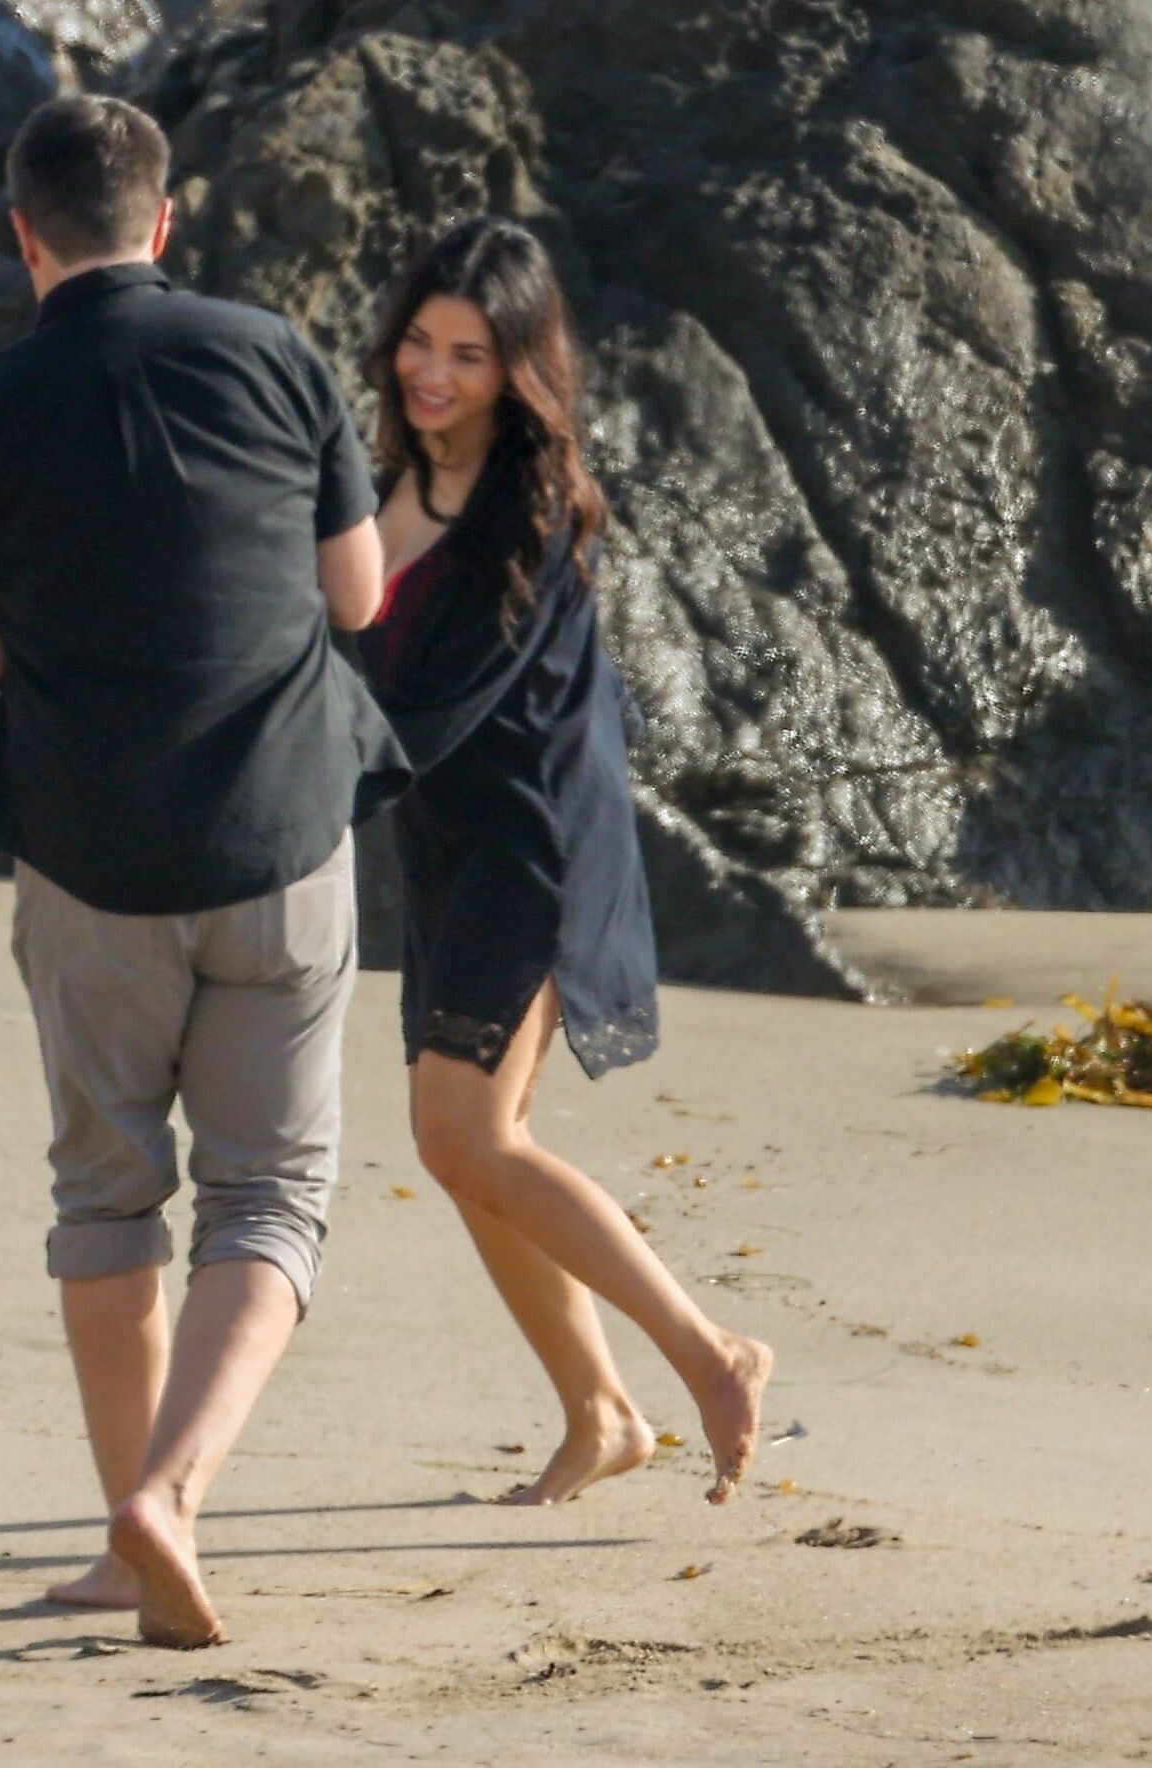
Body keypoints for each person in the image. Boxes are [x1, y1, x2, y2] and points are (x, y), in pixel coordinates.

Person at [0, 94, 408, 1648]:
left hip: (86, 854)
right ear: (165, 220)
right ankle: (174, 1496)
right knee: (271, 1193)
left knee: (107, 1194)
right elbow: (357, 595)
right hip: (277, 837)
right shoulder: (272, 354)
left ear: (22, 235)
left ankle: (128, 1536)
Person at [359, 218, 774, 1507]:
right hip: (448, 848)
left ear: (517, 371)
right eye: (420, 343)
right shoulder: (385, 483)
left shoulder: (527, 511)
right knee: (467, 1143)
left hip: (533, 845)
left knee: (469, 1134)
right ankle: (600, 1413)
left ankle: (708, 1354)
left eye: (468, 355)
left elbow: (440, 701)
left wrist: (288, 784)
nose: (432, 373)